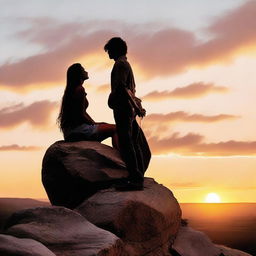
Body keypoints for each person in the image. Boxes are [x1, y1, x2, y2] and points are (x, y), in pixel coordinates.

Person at [104, 37, 148, 190]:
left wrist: (135, 106)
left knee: (127, 143)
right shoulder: (125, 64)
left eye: (109, 50)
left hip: (123, 108)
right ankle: (136, 176)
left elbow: (123, 87)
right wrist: (136, 106)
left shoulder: (120, 64)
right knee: (131, 143)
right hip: (127, 108)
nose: (108, 53)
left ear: (115, 49)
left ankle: (136, 179)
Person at [57, 63, 118, 147]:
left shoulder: (71, 90)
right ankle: (118, 156)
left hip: (70, 131)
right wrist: (94, 124)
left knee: (105, 125)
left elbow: (82, 112)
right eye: (83, 70)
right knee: (115, 129)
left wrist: (96, 123)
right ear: (79, 74)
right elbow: (81, 114)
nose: (86, 72)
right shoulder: (79, 89)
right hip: (79, 130)